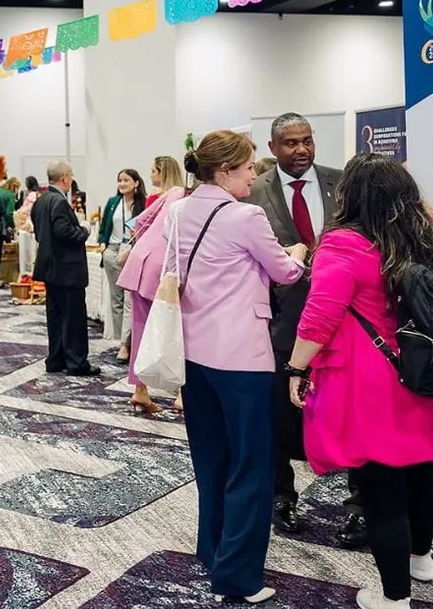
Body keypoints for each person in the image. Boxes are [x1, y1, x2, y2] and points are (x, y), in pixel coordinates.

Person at [285, 154, 433, 609]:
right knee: (423, 474)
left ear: (349, 194)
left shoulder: (344, 244)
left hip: (373, 380)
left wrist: (295, 368)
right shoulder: (432, 232)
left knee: (381, 488)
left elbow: (320, 314)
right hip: (428, 370)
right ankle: (421, 561)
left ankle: (393, 598)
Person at [166, 131, 308, 604]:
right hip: (242, 359)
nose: (255, 174)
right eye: (249, 167)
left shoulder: (180, 209)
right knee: (252, 466)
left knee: (211, 459)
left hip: (194, 352)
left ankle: (212, 551)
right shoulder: (246, 216)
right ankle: (239, 575)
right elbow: (285, 275)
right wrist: (298, 254)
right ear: (225, 171)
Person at [247, 112, 364, 543]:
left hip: (347, 322)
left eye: (307, 141)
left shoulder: (343, 184)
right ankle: (281, 495)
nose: (301, 150)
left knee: (352, 413)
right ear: (272, 148)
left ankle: (360, 504)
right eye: (291, 143)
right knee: (277, 415)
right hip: (283, 323)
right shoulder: (253, 193)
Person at [116, 155, 185, 413]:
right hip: (162, 266)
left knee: (141, 327)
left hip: (141, 260)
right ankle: (181, 393)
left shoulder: (171, 194)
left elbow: (141, 221)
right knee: (178, 327)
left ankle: (140, 390)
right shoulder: (188, 196)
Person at [31, 159, 98, 377]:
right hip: (67, 269)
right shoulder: (59, 202)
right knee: (74, 318)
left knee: (56, 316)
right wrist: (85, 230)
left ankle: (56, 358)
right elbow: (65, 233)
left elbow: (40, 232)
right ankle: (76, 362)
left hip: (51, 268)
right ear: (66, 177)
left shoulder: (41, 200)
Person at [98, 169, 147, 342]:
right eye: (119, 180)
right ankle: (119, 340)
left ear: (136, 183)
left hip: (132, 250)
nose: (122, 184)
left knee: (130, 298)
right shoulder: (113, 202)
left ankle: (130, 339)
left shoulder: (143, 203)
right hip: (112, 250)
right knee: (116, 296)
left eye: (126, 180)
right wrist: (103, 245)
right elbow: (104, 226)